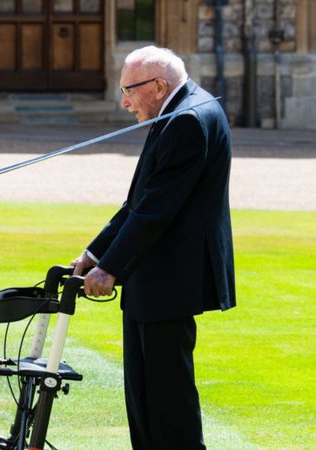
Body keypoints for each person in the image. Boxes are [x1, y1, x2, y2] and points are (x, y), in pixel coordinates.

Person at [72, 46, 236, 449]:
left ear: (159, 85)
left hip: (169, 276)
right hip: (155, 275)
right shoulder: (179, 110)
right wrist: (94, 255)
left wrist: (110, 269)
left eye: (129, 90)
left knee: (166, 398)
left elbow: (156, 210)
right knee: (144, 394)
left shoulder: (187, 120)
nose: (124, 102)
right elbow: (140, 201)